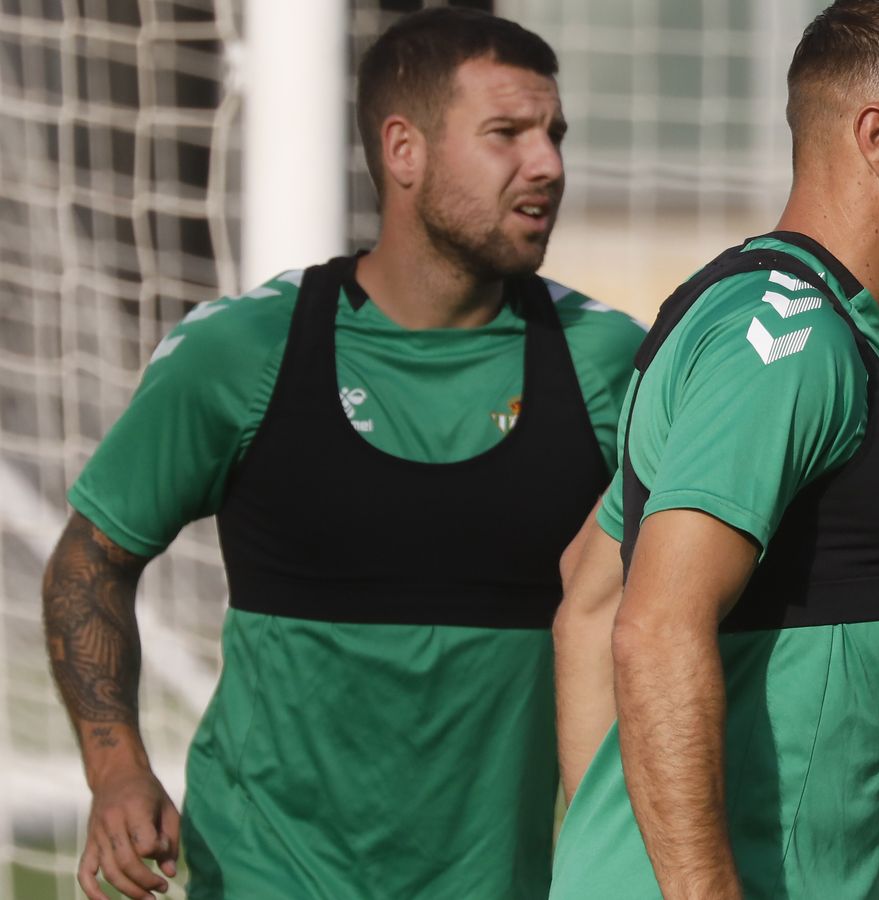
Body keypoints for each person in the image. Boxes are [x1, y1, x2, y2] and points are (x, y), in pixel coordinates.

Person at [40, 8, 642, 899]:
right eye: (507, 133)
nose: (548, 163)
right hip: (261, 875)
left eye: (555, 134)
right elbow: (89, 563)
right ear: (404, 151)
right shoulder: (242, 353)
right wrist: (117, 768)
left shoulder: (611, 361)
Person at [547, 1, 879, 896]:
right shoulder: (790, 342)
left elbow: (590, 587)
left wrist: (602, 852)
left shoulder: (787, 319)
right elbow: (651, 630)